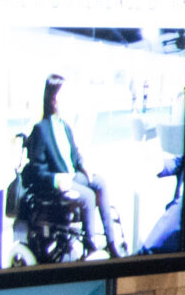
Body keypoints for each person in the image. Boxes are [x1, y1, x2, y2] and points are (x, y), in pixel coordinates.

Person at [22, 74, 121, 257]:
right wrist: (55, 179)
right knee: (88, 196)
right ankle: (91, 247)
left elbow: (75, 155)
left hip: (74, 177)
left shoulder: (65, 127)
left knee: (101, 182)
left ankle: (112, 242)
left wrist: (84, 165)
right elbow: (37, 170)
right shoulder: (41, 129)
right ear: (54, 100)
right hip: (57, 184)